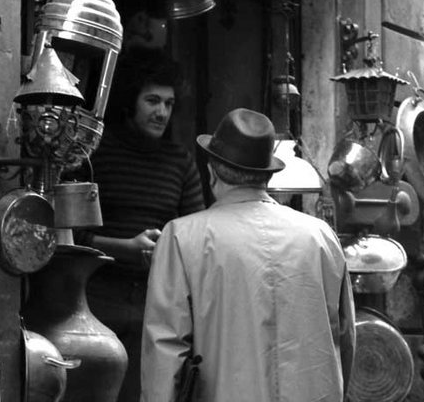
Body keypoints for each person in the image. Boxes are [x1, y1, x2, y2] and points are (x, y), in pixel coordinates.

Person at [141, 108, 355, 402]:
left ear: (211, 173)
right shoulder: (321, 237)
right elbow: (345, 340)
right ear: (267, 176)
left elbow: (164, 353)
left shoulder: (181, 237)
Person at [74, 48, 205, 402]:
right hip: (93, 300)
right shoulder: (95, 154)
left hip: (155, 303)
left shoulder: (180, 162)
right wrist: (123, 248)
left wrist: (163, 250)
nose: (162, 112)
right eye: (152, 101)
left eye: (169, 103)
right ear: (129, 100)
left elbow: (195, 237)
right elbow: (66, 233)